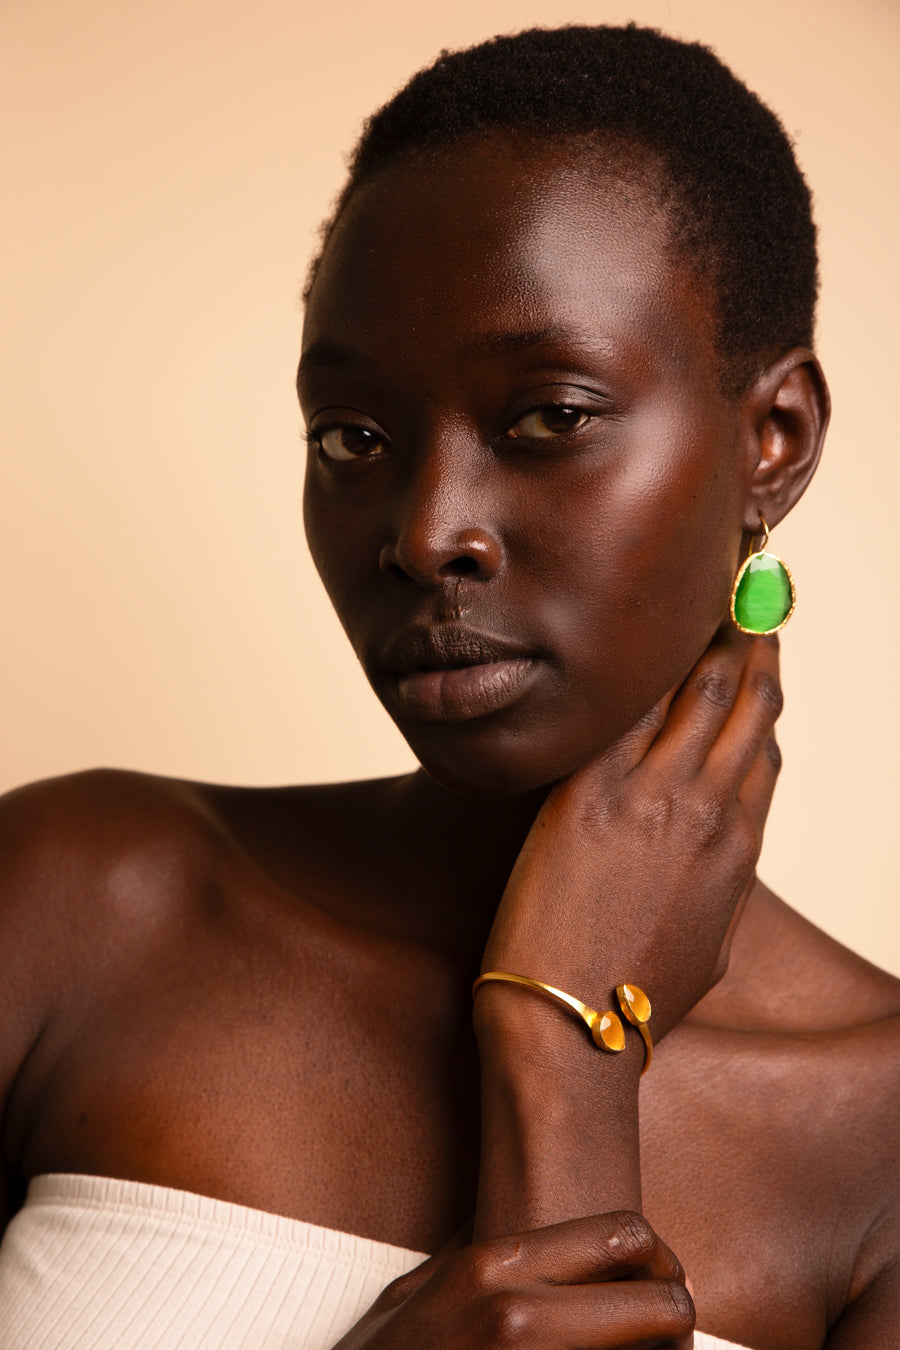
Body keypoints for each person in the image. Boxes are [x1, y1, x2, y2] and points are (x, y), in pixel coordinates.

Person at [0, 21, 897, 1350]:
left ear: (775, 439)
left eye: (549, 415)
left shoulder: (875, 1138)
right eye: (355, 436)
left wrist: (567, 1051)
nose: (426, 531)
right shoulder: (80, 898)